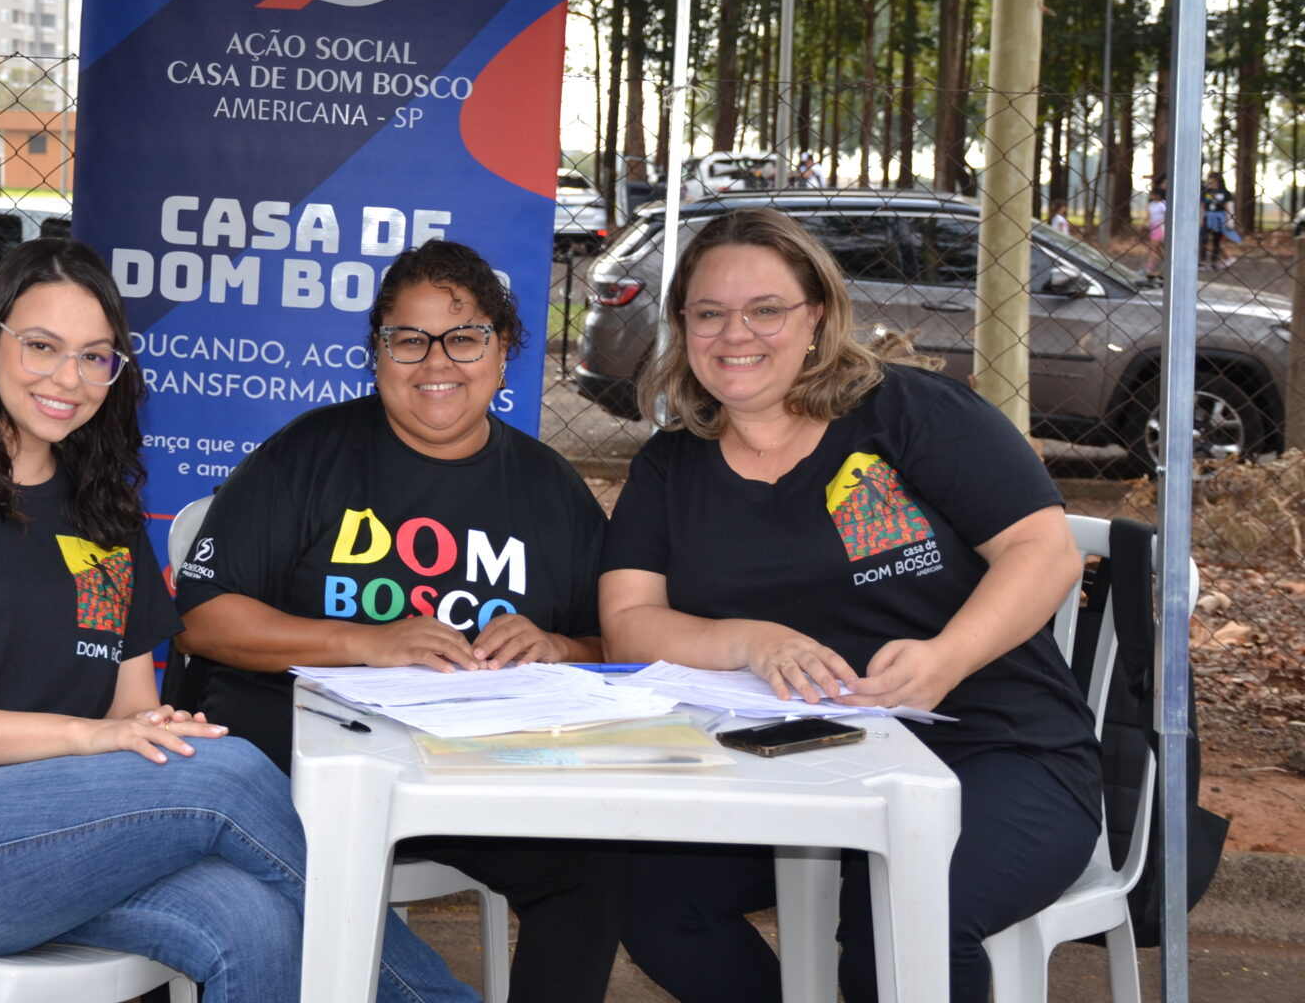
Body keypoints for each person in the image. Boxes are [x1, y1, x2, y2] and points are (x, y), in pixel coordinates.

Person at [0, 237, 475, 1003]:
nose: (68, 378)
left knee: (259, 921)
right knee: (227, 772)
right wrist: (88, 739)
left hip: (66, 838)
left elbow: (129, 709)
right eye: (42, 346)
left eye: (95, 357)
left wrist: (150, 732)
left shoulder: (102, 513)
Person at [598, 208, 1101, 1003]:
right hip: (789, 761)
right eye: (709, 313)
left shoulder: (908, 412)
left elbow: (1044, 552)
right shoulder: (671, 466)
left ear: (817, 317)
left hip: (993, 749)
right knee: (655, 904)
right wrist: (752, 641)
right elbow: (629, 623)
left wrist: (946, 658)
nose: (736, 334)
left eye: (766, 309)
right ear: (683, 326)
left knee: (903, 915)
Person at [173, 238, 627, 1003]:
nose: (435, 362)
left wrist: (557, 646)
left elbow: (615, 645)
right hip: (294, 775)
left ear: (503, 350)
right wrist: (365, 643)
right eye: (408, 339)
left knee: (590, 868)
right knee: (262, 891)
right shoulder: (308, 454)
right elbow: (202, 620)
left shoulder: (551, 490)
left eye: (464, 337)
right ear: (377, 354)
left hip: (472, 775)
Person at [1201, 170, 1239, 269]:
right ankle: (1202, 261)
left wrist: (1229, 221)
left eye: (1212, 179)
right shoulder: (1206, 191)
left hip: (1219, 219)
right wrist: (1201, 218)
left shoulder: (1225, 193)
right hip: (1207, 218)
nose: (1210, 181)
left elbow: (1228, 207)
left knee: (1217, 241)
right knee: (1203, 239)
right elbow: (1203, 205)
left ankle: (1214, 262)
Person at [1143, 178, 1168, 281]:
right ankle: (1168, 263)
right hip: (1153, 226)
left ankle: (1149, 266)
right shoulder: (1151, 204)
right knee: (1157, 248)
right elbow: (1148, 216)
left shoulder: (1163, 204)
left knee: (1154, 247)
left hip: (1160, 227)